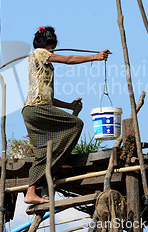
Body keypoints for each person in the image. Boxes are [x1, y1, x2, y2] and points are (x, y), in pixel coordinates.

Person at [22, 26, 110, 204]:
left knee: (42, 151)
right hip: (37, 109)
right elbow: (69, 59)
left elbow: (48, 98)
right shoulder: (39, 53)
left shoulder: (41, 64)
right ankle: (58, 160)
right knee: (76, 124)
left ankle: (30, 192)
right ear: (49, 45)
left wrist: (69, 105)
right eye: (52, 47)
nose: (53, 51)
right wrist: (95, 57)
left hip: (31, 110)